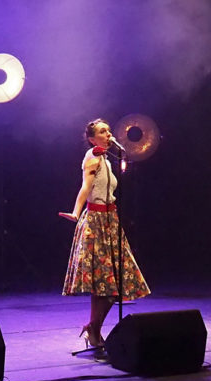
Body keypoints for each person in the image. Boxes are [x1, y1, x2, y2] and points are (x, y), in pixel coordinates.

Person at [58, 118, 150, 349]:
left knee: (112, 283)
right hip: (97, 222)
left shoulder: (106, 160)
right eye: (102, 132)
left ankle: (93, 328)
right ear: (91, 138)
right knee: (105, 283)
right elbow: (85, 187)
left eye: (109, 131)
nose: (108, 134)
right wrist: (76, 212)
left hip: (111, 221)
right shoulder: (92, 157)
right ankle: (95, 330)